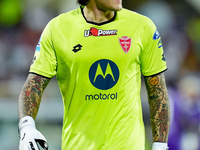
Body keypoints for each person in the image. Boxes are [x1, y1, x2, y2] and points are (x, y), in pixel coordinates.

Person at [18, 0, 170, 149]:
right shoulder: (58, 29)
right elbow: (34, 84)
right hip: (78, 146)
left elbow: (157, 92)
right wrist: (27, 126)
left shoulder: (142, 26)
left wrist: (160, 145)